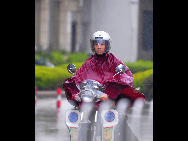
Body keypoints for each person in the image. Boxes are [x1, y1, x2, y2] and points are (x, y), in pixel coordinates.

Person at [63, 31, 145, 108]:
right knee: (77, 108)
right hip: (92, 94)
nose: (99, 47)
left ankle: (115, 121)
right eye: (96, 44)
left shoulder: (114, 61)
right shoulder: (88, 62)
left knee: (113, 106)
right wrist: (76, 92)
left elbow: (126, 76)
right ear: (93, 46)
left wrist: (112, 89)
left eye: (102, 44)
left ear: (106, 45)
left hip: (108, 97)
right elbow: (79, 76)